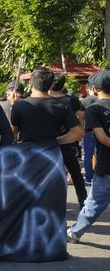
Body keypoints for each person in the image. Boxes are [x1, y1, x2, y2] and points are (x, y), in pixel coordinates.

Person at [11, 67, 85, 203]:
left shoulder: (19, 105)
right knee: (51, 194)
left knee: (29, 193)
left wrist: (13, 106)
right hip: (52, 154)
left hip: (28, 155)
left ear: (30, 84)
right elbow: (79, 132)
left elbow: (12, 133)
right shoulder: (60, 106)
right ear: (50, 85)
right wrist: (58, 141)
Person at [67, 70, 110, 242]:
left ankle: (75, 232)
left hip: (106, 166)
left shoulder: (94, 110)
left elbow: (103, 138)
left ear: (94, 88)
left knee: (93, 204)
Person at [48, 73, 88, 206]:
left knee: (49, 175)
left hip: (50, 143)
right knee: (76, 174)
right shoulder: (72, 100)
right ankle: (83, 203)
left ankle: (52, 204)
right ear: (63, 85)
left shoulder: (45, 101)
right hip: (70, 140)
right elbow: (81, 114)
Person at [81, 82, 98, 184]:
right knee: (100, 154)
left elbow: (81, 118)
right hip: (102, 131)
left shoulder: (84, 101)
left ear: (88, 89)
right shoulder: (101, 99)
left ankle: (89, 177)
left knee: (88, 155)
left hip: (88, 131)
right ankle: (100, 175)